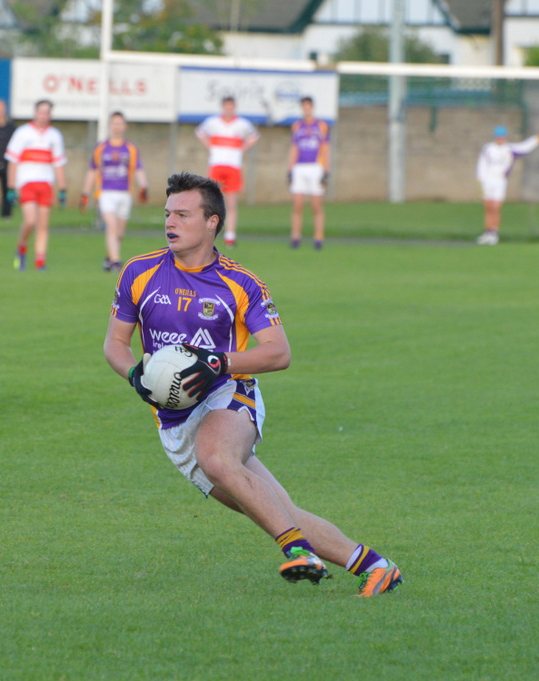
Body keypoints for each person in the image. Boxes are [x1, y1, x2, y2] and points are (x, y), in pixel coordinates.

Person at [103, 171, 403, 597]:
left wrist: (218, 362)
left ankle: (298, 551)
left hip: (230, 395)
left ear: (212, 222)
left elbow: (279, 353)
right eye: (168, 213)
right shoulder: (140, 271)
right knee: (276, 508)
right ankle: (375, 566)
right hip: (173, 423)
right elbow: (115, 342)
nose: (170, 222)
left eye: (183, 214)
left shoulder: (241, 283)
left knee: (217, 456)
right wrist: (134, 373)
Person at [80, 111, 149, 273]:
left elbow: (138, 169)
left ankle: (109, 257)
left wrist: (144, 187)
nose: (117, 127)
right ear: (110, 126)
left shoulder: (130, 148)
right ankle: (116, 262)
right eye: (114, 123)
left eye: (120, 123)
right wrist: (85, 193)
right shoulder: (101, 148)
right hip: (106, 192)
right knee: (111, 225)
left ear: (124, 126)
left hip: (125, 193)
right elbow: (92, 170)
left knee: (119, 232)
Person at [5, 99, 67, 270]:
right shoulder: (22, 133)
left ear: (50, 115)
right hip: (26, 184)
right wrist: (11, 187)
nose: (43, 115)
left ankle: (40, 261)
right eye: (41, 111)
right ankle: (22, 246)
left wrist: (62, 189)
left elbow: (59, 164)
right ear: (35, 113)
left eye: (47, 112)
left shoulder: (54, 136)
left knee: (43, 224)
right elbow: (12, 161)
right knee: (31, 220)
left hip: (46, 184)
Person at [195, 96, 259, 248]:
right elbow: (200, 132)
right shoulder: (213, 123)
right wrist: (210, 146)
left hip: (233, 166)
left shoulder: (242, 124)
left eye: (231, 107)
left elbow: (254, 136)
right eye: (226, 107)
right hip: (216, 165)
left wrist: (241, 149)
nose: (229, 110)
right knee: (211, 201)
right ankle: (208, 235)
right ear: (223, 107)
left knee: (230, 202)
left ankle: (230, 236)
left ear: (234, 108)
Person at [475, 125, 539, 245]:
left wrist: (536, 139)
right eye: (498, 137)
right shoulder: (488, 148)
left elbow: (525, 147)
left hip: (500, 181)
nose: (500, 139)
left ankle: (494, 233)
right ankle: (487, 232)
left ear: (505, 138)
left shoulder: (510, 149)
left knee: (496, 207)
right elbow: (482, 164)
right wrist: (480, 180)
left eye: (502, 137)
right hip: (487, 181)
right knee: (488, 207)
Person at [287, 96, 331, 250]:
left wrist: (326, 171)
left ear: (312, 107)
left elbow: (326, 149)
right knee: (297, 205)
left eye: (308, 106)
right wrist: (290, 169)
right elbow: (294, 148)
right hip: (300, 167)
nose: (306, 109)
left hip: (315, 167)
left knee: (316, 205)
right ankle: (296, 236)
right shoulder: (297, 126)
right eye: (304, 106)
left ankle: (318, 238)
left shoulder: (322, 126)